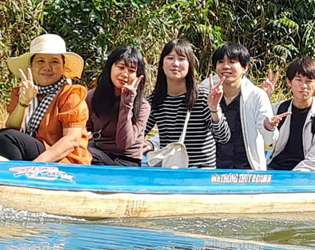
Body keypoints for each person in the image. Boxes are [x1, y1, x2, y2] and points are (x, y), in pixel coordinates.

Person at [0, 34, 91, 164]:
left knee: (5, 137)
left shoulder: (70, 94)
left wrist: (34, 165)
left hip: (64, 160)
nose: (47, 67)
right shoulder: (23, 91)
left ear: (63, 66)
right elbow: (13, 127)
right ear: (31, 65)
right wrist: (24, 102)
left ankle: (18, 174)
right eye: (40, 61)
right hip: (34, 151)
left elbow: (72, 140)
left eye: (54, 61)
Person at [144, 39, 231, 169]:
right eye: (170, 58)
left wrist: (214, 109)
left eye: (181, 59)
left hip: (200, 172)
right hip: (170, 170)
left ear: (190, 65)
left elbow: (223, 137)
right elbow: (138, 132)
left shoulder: (202, 96)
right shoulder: (155, 100)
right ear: (162, 64)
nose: (175, 63)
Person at [200, 43, 276, 170]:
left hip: (248, 170)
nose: (225, 66)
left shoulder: (256, 96)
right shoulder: (205, 93)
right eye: (220, 62)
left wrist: (268, 127)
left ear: (245, 68)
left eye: (232, 61)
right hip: (211, 170)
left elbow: (270, 139)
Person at [263, 56, 315, 172]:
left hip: (305, 177)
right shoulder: (277, 110)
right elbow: (250, 132)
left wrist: (291, 177)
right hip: (272, 170)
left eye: (309, 81)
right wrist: (264, 98)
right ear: (289, 82)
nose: (304, 86)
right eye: (298, 80)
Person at [85, 46, 151, 166]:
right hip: (98, 153)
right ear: (110, 67)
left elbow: (124, 144)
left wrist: (127, 103)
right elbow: (86, 131)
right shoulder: (92, 97)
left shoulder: (143, 106)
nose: (125, 74)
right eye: (120, 67)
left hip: (127, 161)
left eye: (131, 71)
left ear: (138, 76)